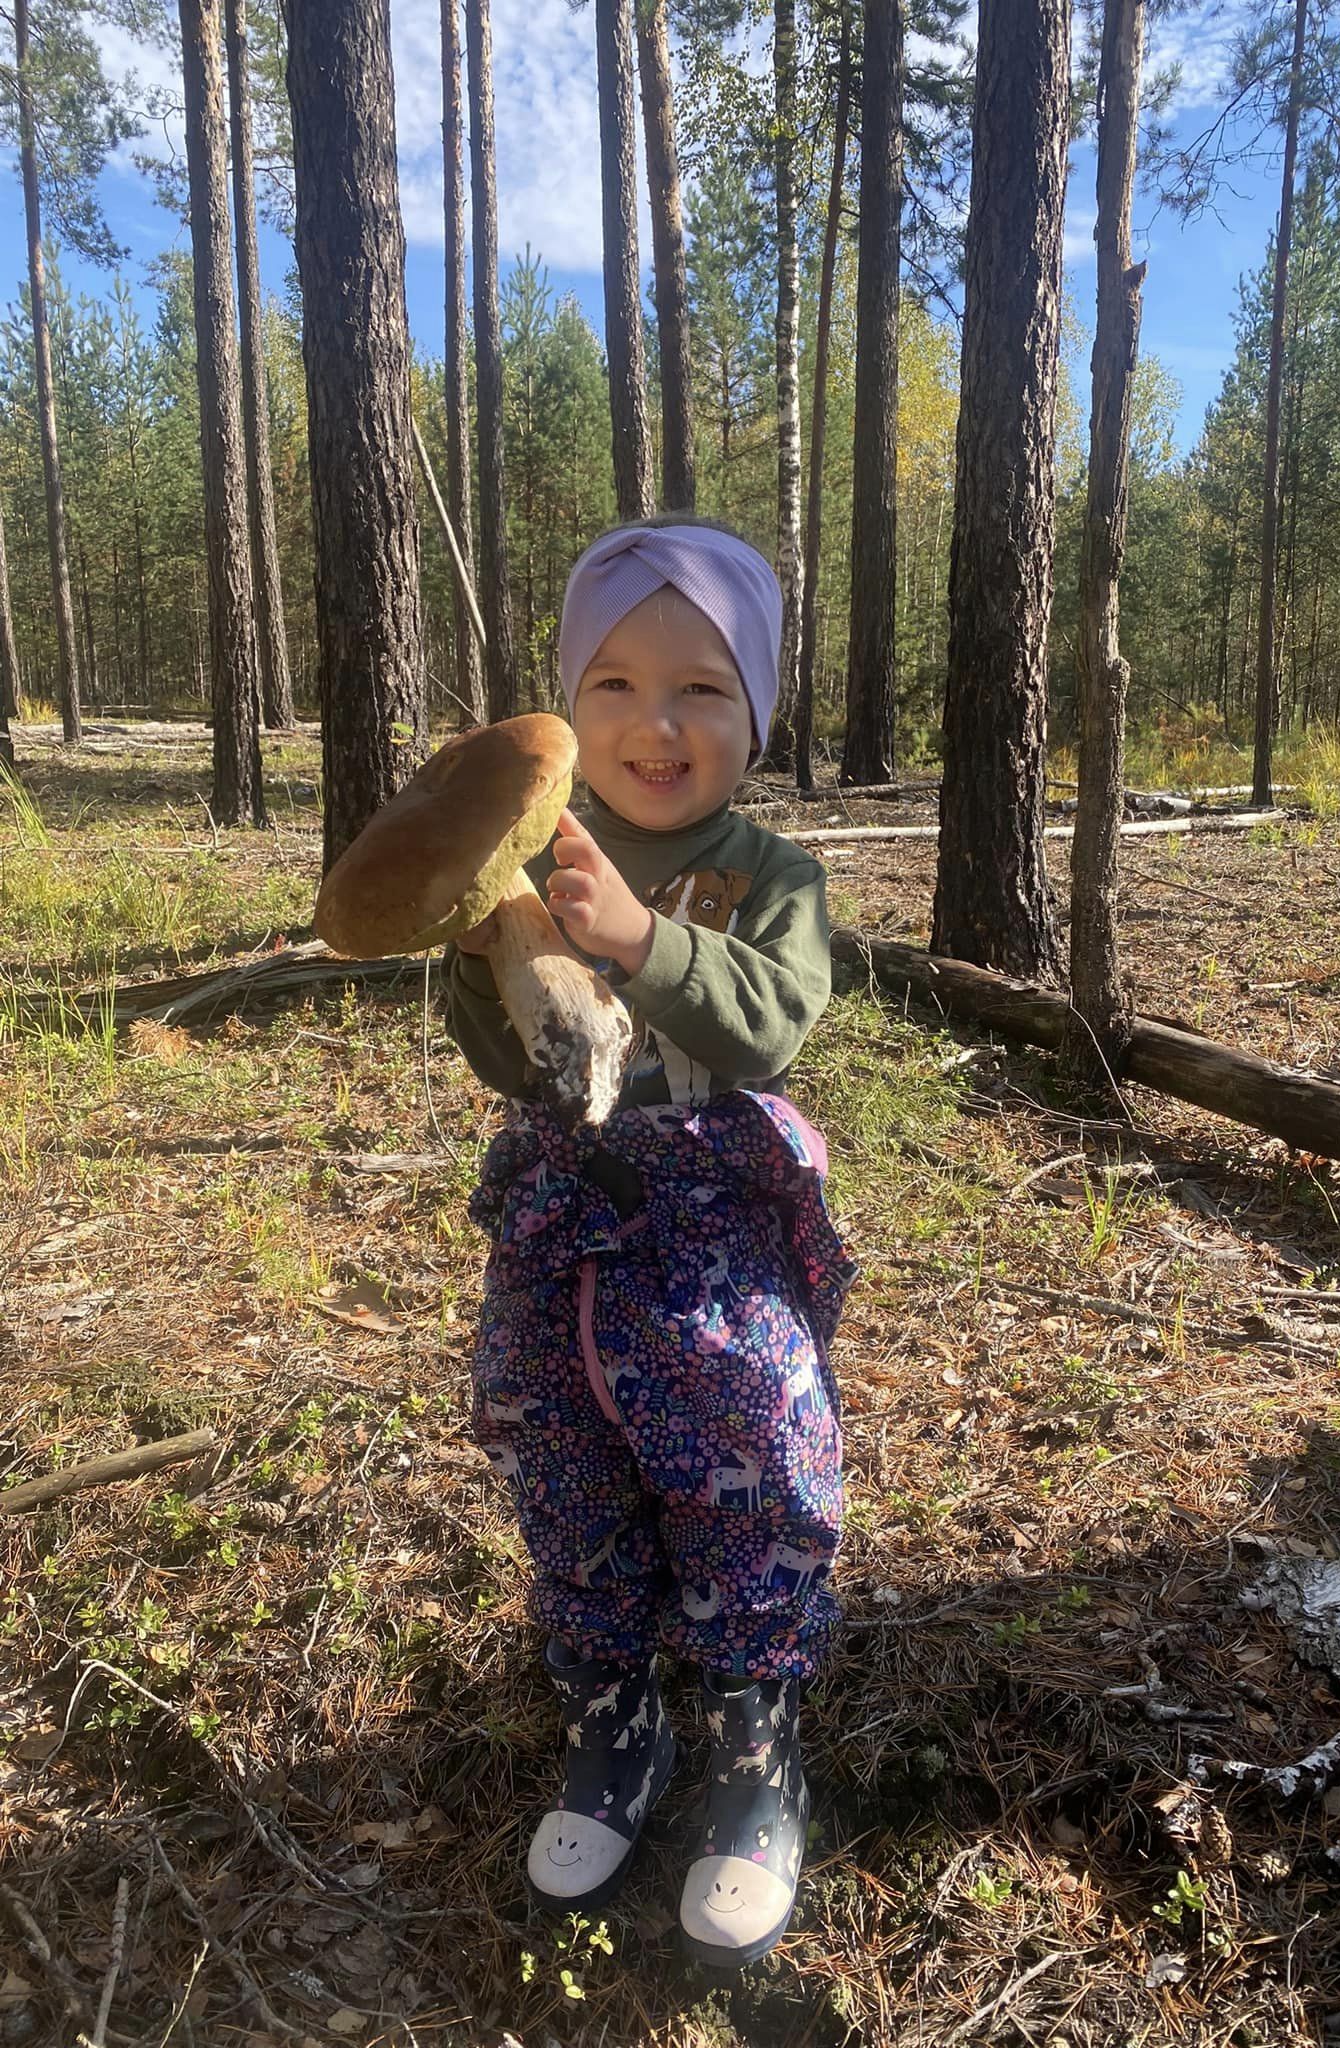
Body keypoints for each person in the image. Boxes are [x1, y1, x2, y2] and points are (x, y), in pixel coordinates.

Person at [442, 517, 854, 1970]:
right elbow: (510, 1066)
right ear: (566, 711)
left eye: (702, 688)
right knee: (553, 1438)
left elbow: (768, 1025)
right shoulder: (536, 853)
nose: (656, 723)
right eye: (610, 685)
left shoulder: (774, 873)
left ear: (756, 710)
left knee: (748, 1456)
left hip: (712, 1228)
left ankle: (752, 1751)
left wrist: (635, 935)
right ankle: (613, 1717)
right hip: (562, 1215)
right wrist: (487, 958)